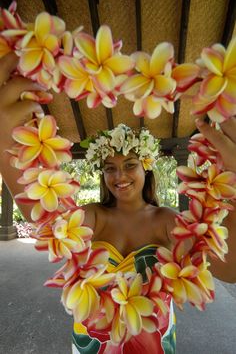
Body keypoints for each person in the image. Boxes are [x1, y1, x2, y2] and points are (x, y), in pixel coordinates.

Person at [0, 52, 236, 353]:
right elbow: (43, 216)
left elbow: (229, 270)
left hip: (154, 340)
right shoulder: (93, 216)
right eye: (110, 167)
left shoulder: (167, 220)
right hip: (92, 342)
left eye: (129, 165)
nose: (119, 175)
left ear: (146, 167)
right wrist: (6, 146)